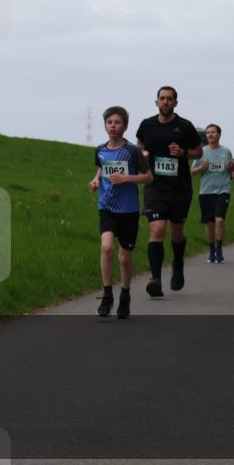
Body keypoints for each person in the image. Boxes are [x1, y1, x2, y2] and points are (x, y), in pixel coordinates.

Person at [135, 86, 203, 296]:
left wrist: (183, 152)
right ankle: (155, 278)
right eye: (162, 98)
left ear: (175, 103)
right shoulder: (147, 125)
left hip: (179, 188)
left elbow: (198, 150)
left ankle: (178, 265)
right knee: (156, 229)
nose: (165, 102)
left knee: (176, 232)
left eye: (169, 99)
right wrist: (142, 153)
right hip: (155, 185)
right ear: (156, 102)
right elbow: (139, 143)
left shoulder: (184, 126)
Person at [88, 106, 152, 318]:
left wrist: (127, 178)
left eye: (117, 122)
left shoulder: (132, 151)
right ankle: (107, 295)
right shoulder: (100, 149)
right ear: (105, 125)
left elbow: (148, 177)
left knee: (124, 258)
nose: (113, 126)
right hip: (106, 207)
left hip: (128, 210)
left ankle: (125, 295)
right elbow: (101, 168)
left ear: (124, 126)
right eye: (109, 122)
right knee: (106, 248)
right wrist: (96, 180)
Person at [191, 124, 234, 263]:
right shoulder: (201, 152)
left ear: (219, 134)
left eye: (213, 132)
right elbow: (191, 172)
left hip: (223, 190)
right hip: (206, 192)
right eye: (208, 132)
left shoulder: (226, 151)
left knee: (220, 220)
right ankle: (211, 249)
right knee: (209, 224)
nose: (210, 135)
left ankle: (220, 248)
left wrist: (230, 167)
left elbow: (231, 170)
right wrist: (202, 168)